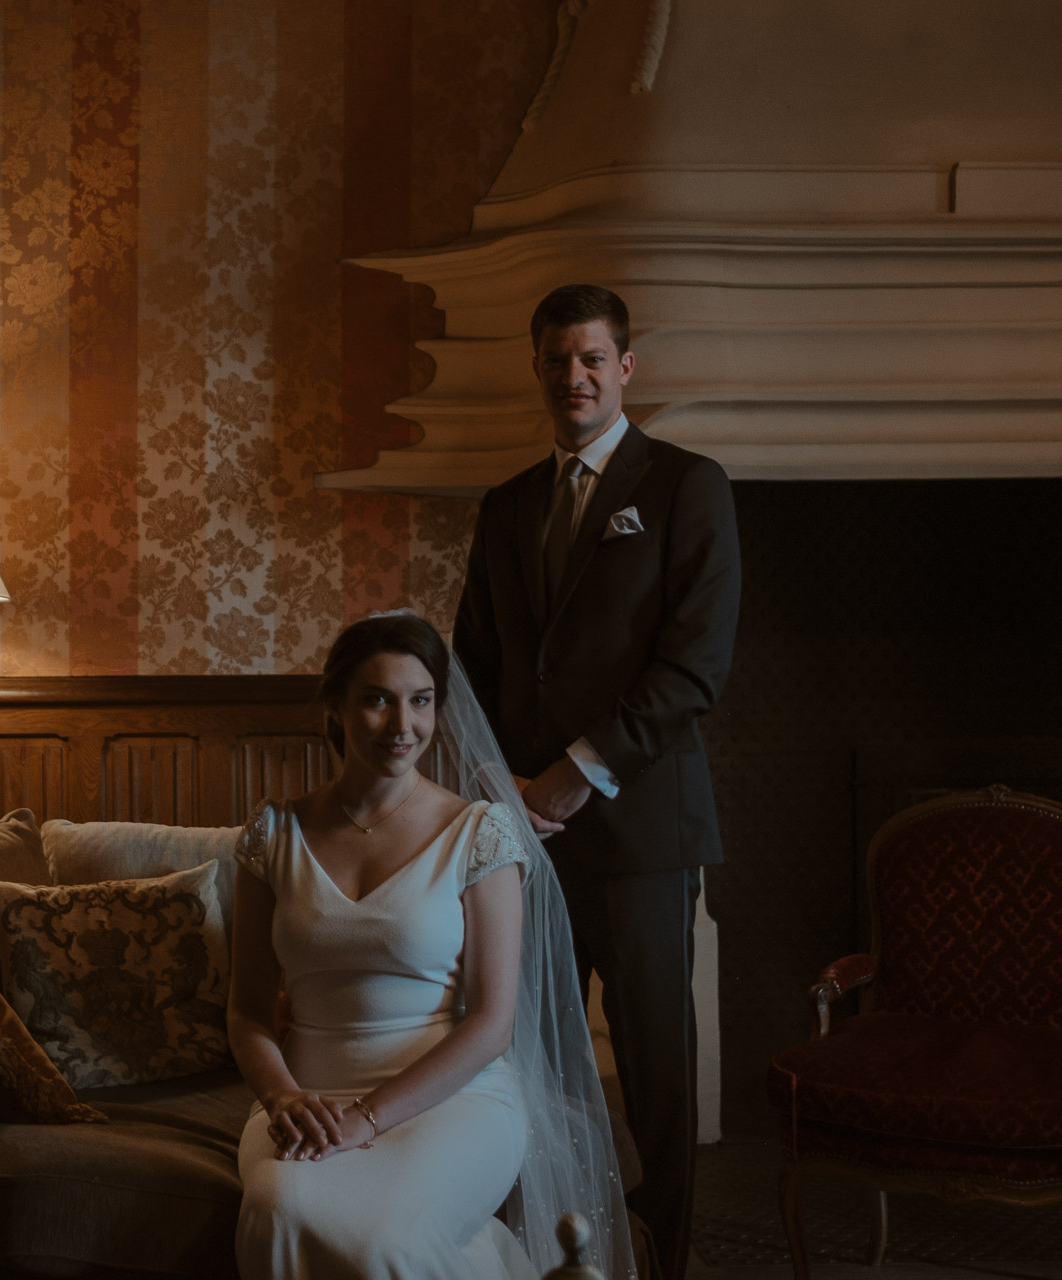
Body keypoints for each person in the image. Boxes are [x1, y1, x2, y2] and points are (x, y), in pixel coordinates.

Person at [452, 284, 741, 1280]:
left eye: (589, 360)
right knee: (526, 1057)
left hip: (641, 834)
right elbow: (473, 666)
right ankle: (549, 1243)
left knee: (657, 1070)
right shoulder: (506, 506)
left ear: (624, 369)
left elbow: (693, 664)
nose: (570, 377)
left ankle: (659, 1254)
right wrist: (503, 793)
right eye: (554, 361)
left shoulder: (685, 486)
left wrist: (576, 775)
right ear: (536, 369)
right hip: (524, 837)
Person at [229, 612, 635, 1280]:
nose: (402, 726)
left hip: (451, 1099)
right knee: (279, 1207)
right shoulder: (273, 835)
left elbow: (491, 1024)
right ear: (335, 705)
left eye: (420, 702)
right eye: (377, 700)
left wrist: (367, 1118)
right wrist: (282, 1099)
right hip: (306, 1099)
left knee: (378, 1242)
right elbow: (245, 1012)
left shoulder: (481, 833)